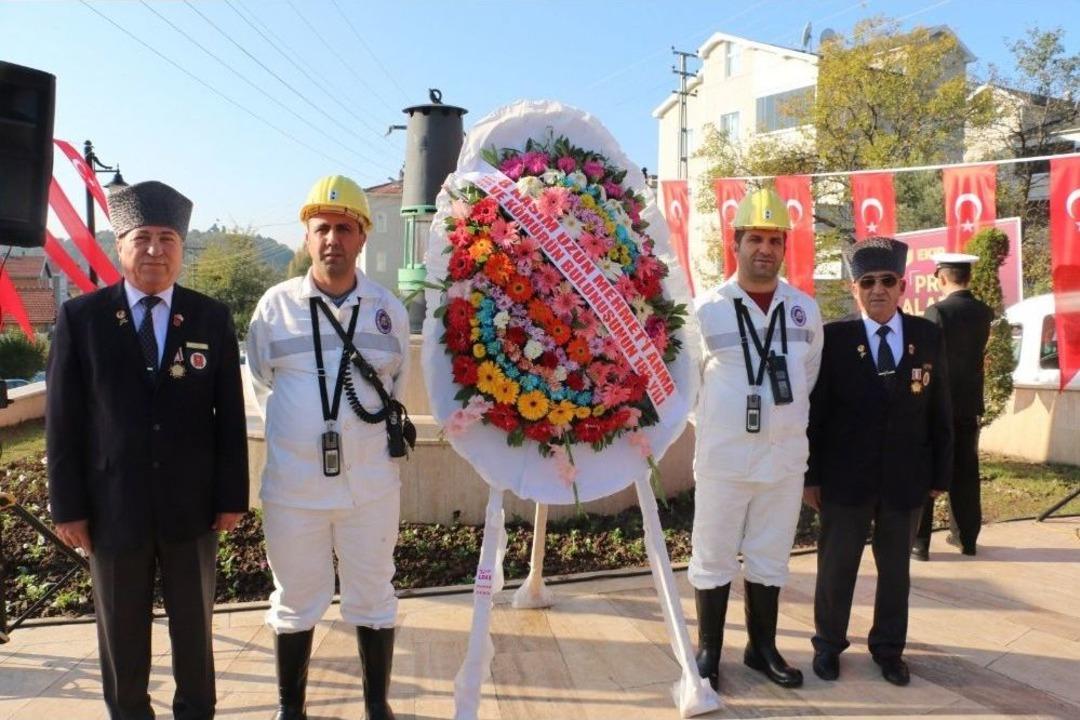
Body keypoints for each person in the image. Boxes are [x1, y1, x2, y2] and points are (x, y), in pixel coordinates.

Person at [47, 180, 249, 720]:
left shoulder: (210, 318)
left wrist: (232, 496)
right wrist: (67, 506)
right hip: (114, 507)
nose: (155, 250)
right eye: (143, 237)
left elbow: (229, 417)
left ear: (183, 247)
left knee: (194, 629)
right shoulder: (81, 320)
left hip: (192, 507)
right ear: (121, 244)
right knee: (121, 634)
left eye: (168, 238)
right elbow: (63, 422)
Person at [246, 175, 411, 720]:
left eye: (344, 227)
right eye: (322, 228)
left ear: (362, 235)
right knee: (295, 598)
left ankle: (377, 706)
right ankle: (290, 709)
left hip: (370, 489)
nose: (332, 239)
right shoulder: (275, 307)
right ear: (306, 236)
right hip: (294, 490)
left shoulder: (387, 309)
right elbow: (260, 384)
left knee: (373, 594)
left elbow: (395, 387)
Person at [689, 187, 823, 690]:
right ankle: (709, 651)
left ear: (784, 246)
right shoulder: (708, 310)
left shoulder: (804, 310)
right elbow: (691, 388)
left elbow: (806, 377)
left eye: (774, 239)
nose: (765, 248)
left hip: (784, 460)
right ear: (736, 243)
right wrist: (727, 425)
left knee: (771, 554)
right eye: (754, 239)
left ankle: (761, 648)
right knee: (713, 553)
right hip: (725, 459)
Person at [804, 237, 953, 687]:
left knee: (896, 572)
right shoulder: (834, 338)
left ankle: (889, 650)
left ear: (903, 285)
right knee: (836, 567)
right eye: (867, 282)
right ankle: (828, 645)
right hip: (846, 480)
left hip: (907, 478)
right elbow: (816, 414)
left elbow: (940, 407)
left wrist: (941, 475)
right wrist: (811, 476)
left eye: (887, 281)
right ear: (854, 289)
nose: (877, 290)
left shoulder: (927, 335)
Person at [912, 253, 994, 560]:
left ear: (941, 278)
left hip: (937, 406)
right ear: (967, 277)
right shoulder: (984, 312)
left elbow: (926, 358)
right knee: (966, 473)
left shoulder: (937, 311)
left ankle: (920, 543)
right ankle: (967, 539)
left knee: (928, 471)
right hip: (968, 404)